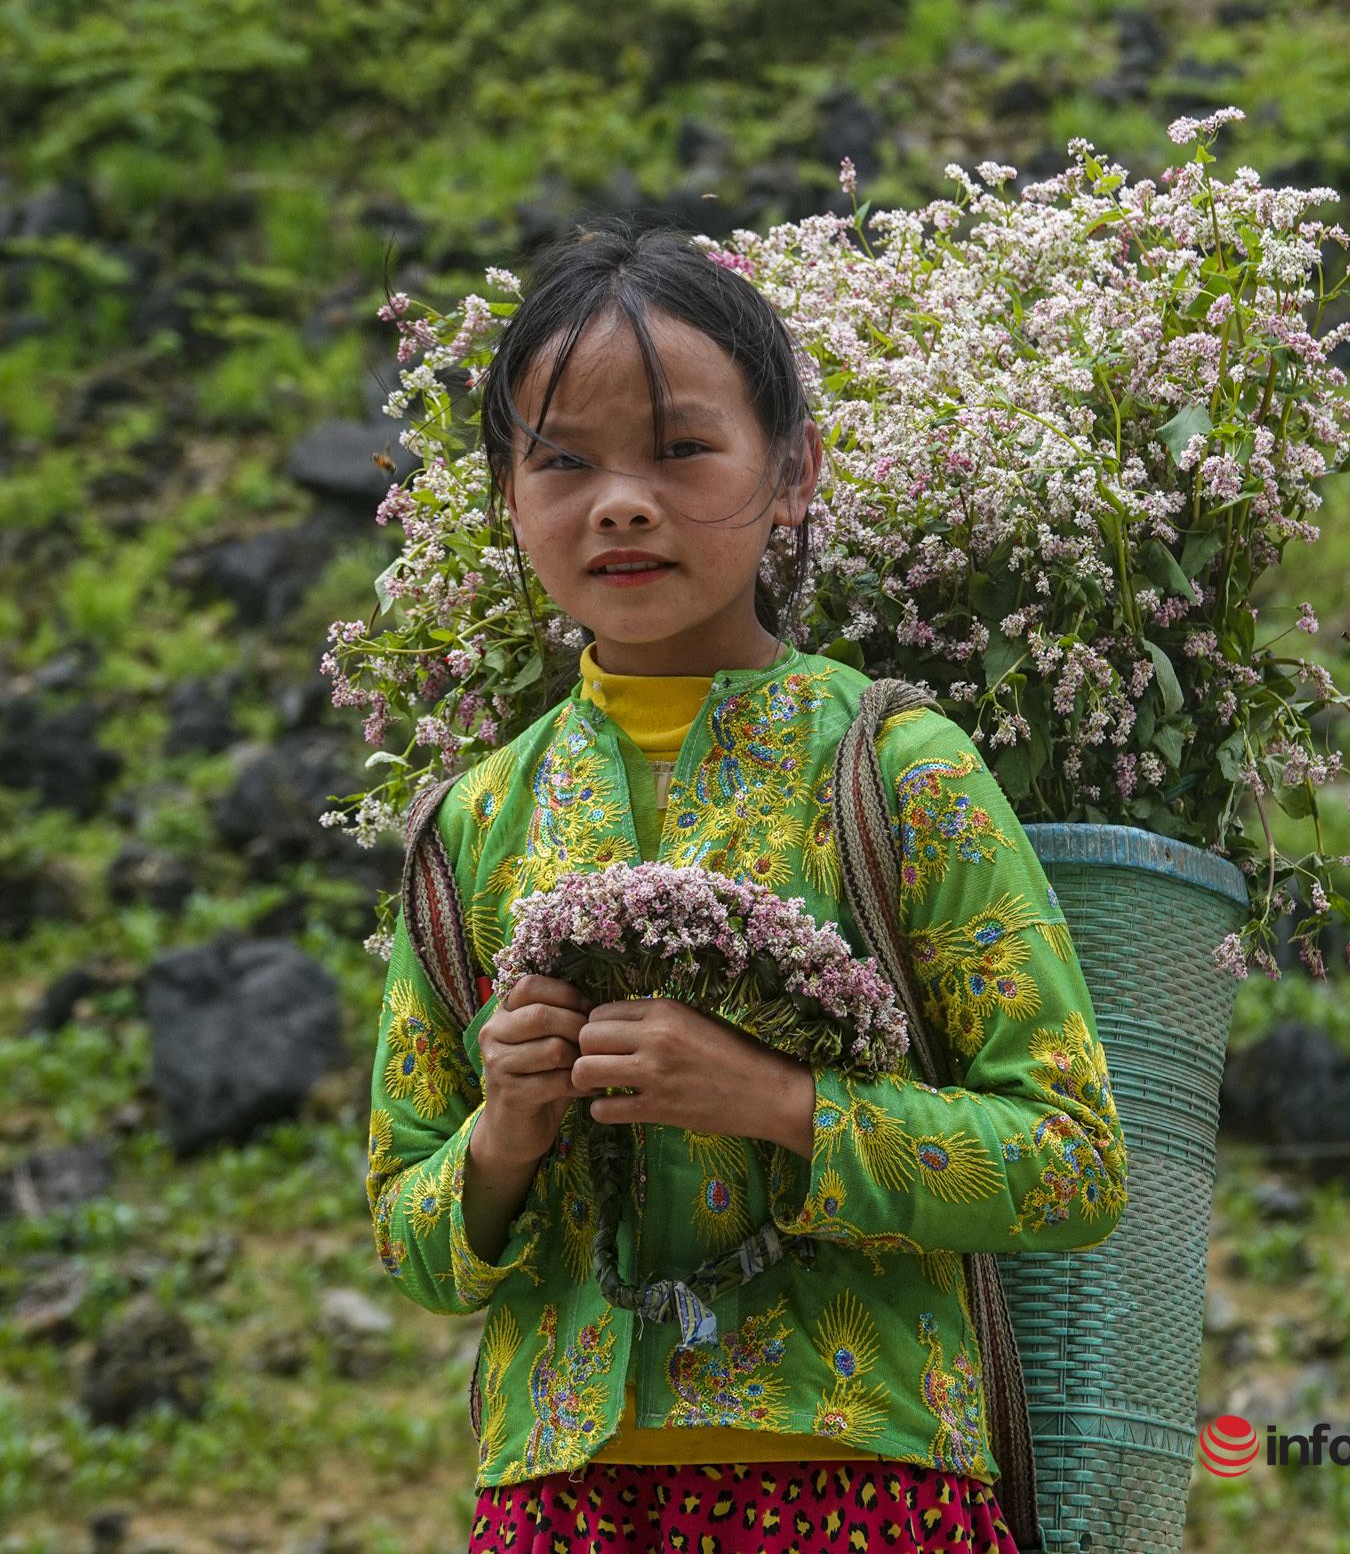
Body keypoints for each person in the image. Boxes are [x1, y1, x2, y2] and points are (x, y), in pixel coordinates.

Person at [366, 224, 1128, 1554]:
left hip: (868, 1491)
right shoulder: (471, 827)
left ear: (793, 472)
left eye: (679, 448)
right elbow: (410, 1236)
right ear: (506, 493)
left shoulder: (895, 769)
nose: (620, 501)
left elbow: (1068, 1164)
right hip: (560, 1503)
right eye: (563, 461)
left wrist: (779, 1105)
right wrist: (502, 1138)